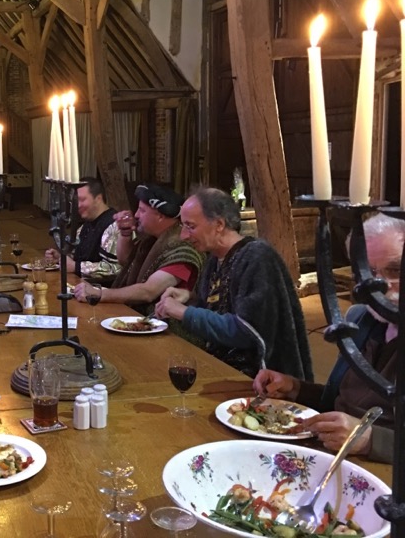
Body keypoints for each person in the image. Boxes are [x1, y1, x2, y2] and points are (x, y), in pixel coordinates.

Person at [253, 213, 401, 464]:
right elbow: (342, 400)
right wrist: (295, 388)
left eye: (395, 269)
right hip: (327, 456)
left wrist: (370, 440)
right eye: (368, 271)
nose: (380, 286)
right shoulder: (361, 319)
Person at [155, 187, 313, 380]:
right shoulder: (214, 259)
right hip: (219, 367)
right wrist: (189, 298)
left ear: (219, 224)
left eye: (190, 226)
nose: (184, 236)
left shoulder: (257, 257)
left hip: (261, 381)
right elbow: (216, 309)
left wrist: (183, 312)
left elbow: (246, 331)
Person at [75, 183, 203, 315]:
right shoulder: (151, 240)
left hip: (165, 328)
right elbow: (125, 260)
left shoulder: (183, 248)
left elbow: (148, 292)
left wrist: (99, 293)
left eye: (142, 210)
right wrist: (125, 234)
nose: (136, 215)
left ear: (160, 216)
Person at [45, 176, 121, 281]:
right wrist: (60, 258)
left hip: (104, 294)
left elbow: (116, 269)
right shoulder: (85, 225)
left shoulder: (115, 226)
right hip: (79, 287)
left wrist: (76, 267)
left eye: (82, 200)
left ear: (98, 199)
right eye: (75, 201)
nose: (78, 205)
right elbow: (76, 255)